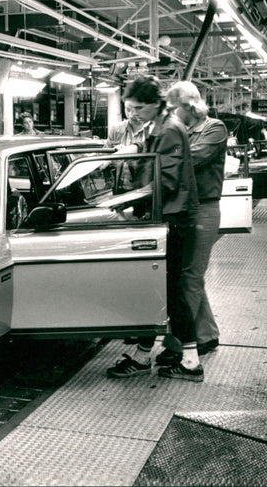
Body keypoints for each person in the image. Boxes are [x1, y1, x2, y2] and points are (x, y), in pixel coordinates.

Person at [107, 75, 203, 382]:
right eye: (129, 108)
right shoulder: (158, 127)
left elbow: (166, 181)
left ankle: (190, 362)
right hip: (163, 218)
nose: (132, 113)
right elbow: (150, 163)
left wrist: (129, 199)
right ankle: (143, 355)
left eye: (137, 108)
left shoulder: (171, 130)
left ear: (153, 104)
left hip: (173, 220)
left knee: (170, 290)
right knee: (158, 289)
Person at [166, 81, 227, 356]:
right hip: (184, 210)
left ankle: (181, 343)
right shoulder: (179, 130)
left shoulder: (213, 128)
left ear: (189, 106)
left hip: (204, 209)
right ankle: (206, 334)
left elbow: (195, 158)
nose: (171, 113)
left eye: (173, 107)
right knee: (187, 276)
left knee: (190, 276)